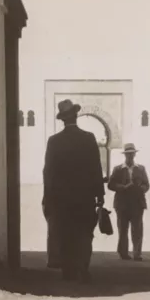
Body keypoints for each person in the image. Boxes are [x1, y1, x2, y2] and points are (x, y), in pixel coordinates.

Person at [42, 99, 105, 281]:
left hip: (62, 199)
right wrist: (99, 195)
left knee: (65, 234)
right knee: (84, 234)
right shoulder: (88, 138)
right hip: (84, 198)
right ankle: (83, 268)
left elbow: (49, 172)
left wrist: (48, 197)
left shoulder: (54, 141)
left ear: (62, 119)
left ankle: (68, 270)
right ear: (76, 116)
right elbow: (96, 168)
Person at [108, 143, 150, 261]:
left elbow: (146, 184)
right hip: (122, 203)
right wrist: (124, 187)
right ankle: (124, 252)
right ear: (125, 155)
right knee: (123, 229)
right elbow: (111, 185)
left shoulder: (141, 168)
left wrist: (141, 189)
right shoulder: (118, 169)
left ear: (135, 154)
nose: (130, 156)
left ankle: (137, 253)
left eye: (132, 154)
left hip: (137, 203)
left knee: (137, 229)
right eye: (128, 154)